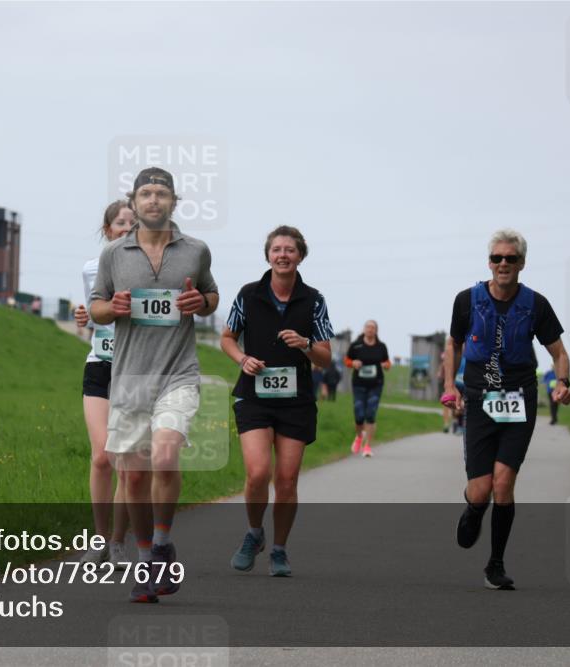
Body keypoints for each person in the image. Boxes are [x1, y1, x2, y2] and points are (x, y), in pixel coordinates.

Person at [89, 167, 219, 603]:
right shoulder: (113, 254)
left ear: (173, 202)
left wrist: (201, 302)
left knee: (165, 454)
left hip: (177, 372)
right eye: (145, 193)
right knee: (135, 479)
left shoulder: (196, 251)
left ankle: (162, 545)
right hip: (128, 378)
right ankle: (147, 562)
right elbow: (96, 308)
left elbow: (211, 296)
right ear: (135, 200)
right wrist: (115, 307)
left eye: (161, 193)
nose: (153, 200)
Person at [441, 229, 570, 590]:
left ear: (522, 264)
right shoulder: (467, 300)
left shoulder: (536, 305)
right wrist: (450, 386)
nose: (503, 264)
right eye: (497, 258)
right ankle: (473, 508)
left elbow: (558, 352)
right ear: (489, 262)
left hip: (520, 398)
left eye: (510, 259)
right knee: (481, 490)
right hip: (480, 398)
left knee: (504, 483)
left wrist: (562, 383)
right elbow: (451, 345)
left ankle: (495, 564)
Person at [221, 226, 333, 577]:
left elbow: (326, 358)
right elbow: (227, 337)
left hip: (296, 400)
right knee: (258, 473)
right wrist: (242, 359)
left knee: (286, 479)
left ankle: (280, 551)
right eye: (277, 249)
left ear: (300, 256)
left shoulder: (313, 300)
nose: (283, 255)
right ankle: (255, 533)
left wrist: (304, 343)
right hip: (253, 395)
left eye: (290, 250)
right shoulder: (249, 294)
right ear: (268, 255)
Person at [73, 201, 134, 568]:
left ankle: (118, 543)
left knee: (125, 462)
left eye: (132, 223)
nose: (126, 228)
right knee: (101, 456)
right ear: (107, 229)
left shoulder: (154, 271)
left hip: (135, 370)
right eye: (119, 223)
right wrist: (82, 316)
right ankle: (97, 539)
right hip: (99, 364)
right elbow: (91, 313)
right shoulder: (92, 269)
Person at [345, 321, 391, 457]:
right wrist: (353, 363)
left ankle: (367, 446)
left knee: (371, 414)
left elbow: (387, 362)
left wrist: (386, 365)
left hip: (376, 384)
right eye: (368, 327)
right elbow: (346, 360)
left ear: (376, 330)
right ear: (364, 329)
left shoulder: (381, 347)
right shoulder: (356, 345)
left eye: (373, 328)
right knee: (359, 415)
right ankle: (359, 437)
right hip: (359, 384)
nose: (370, 330)